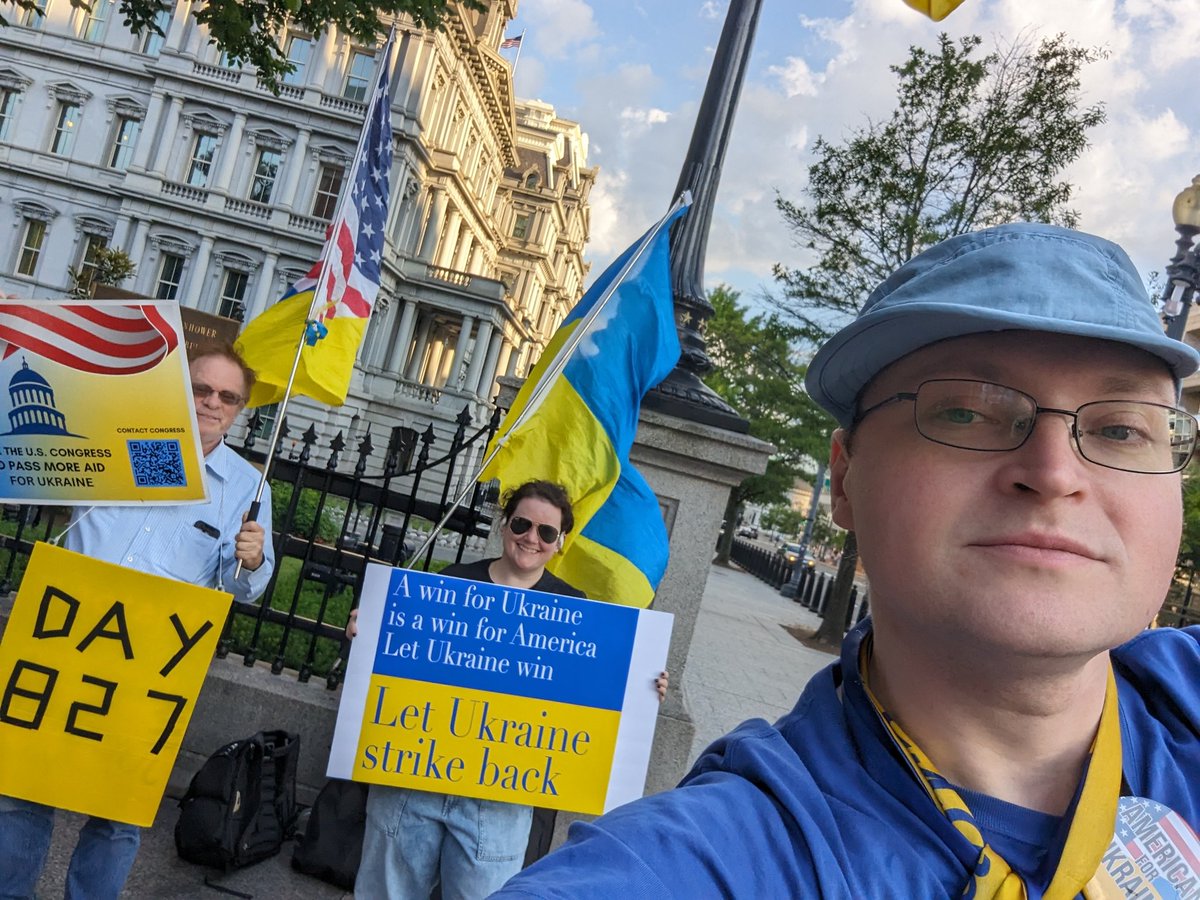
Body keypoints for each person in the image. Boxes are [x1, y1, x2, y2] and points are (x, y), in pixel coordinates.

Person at [492, 222, 1200, 898]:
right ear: (843, 479)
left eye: (1119, 429)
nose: (1053, 471)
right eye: (963, 412)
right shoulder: (716, 859)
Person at [0, 341, 275, 900]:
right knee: (22, 789)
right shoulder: (121, 439)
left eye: (227, 396)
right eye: (200, 388)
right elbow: (25, 469)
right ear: (178, 386)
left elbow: (244, 587)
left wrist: (251, 561)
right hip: (65, 639)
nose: (211, 403)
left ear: (240, 409)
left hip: (148, 666)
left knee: (118, 812)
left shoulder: (248, 488)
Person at [351, 479, 668, 899]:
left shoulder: (575, 608)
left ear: (560, 543)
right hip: (412, 784)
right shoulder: (452, 583)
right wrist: (366, 632)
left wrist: (645, 688)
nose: (531, 538)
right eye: (522, 524)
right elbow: (397, 661)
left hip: (499, 804)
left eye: (546, 532)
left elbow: (592, 690)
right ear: (504, 525)